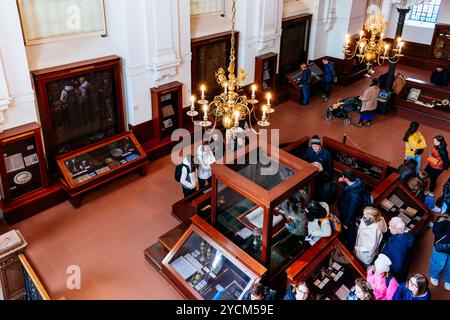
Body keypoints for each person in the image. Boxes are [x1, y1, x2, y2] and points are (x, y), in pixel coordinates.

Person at [337, 169, 366, 249]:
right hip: (345, 210)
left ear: (346, 178)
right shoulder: (355, 183)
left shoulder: (354, 195)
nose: (342, 177)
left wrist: (346, 222)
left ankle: (349, 248)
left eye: (343, 177)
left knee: (350, 233)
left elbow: (352, 210)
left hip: (348, 217)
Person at [381, 217, 415, 283]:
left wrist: (387, 271)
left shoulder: (398, 245)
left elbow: (397, 266)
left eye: (391, 226)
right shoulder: (406, 234)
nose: (389, 228)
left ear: (399, 229)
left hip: (393, 272)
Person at [303, 135, 335, 203]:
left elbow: (330, 172)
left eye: (317, 146)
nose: (315, 148)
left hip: (322, 178)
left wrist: (322, 170)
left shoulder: (327, 154)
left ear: (320, 145)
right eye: (313, 146)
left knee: (323, 192)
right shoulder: (309, 150)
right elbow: (303, 162)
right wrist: (310, 165)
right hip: (311, 175)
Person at [429, 208, 450, 291]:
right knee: (438, 263)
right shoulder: (441, 219)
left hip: (443, 245)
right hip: (441, 248)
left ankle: (448, 279)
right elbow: (435, 230)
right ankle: (434, 275)